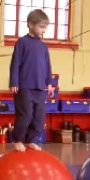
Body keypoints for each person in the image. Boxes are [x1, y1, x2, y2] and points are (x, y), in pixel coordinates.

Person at [9, 9, 54, 152]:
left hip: (40, 87)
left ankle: (31, 140)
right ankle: (17, 139)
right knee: (25, 114)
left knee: (39, 118)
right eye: (41, 27)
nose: (43, 31)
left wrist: (49, 83)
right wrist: (14, 82)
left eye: (45, 28)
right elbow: (15, 63)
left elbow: (47, 65)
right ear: (30, 24)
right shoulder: (22, 42)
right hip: (24, 87)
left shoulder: (43, 46)